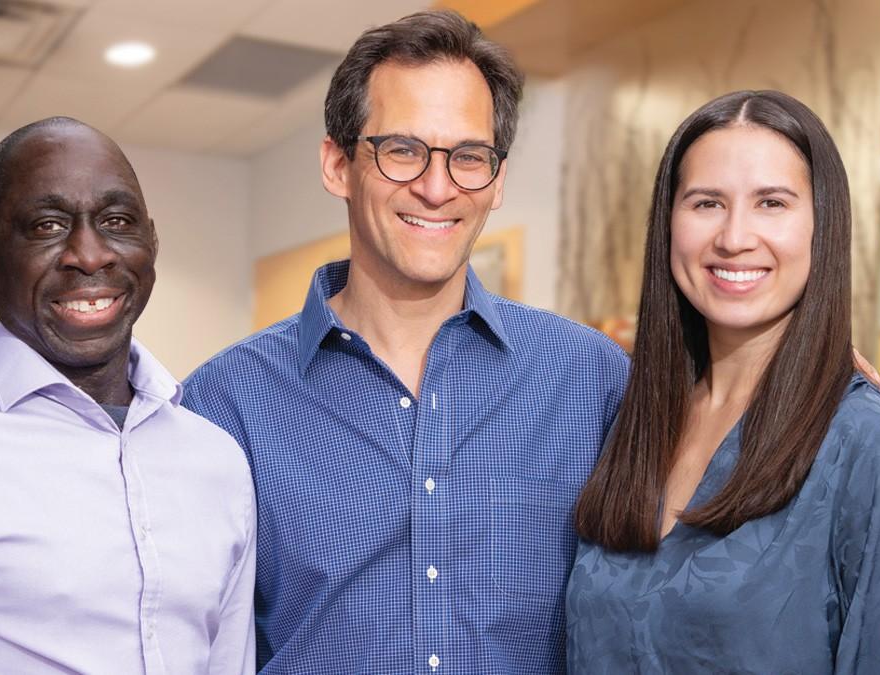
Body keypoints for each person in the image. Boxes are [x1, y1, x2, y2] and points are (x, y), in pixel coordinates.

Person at [182, 10, 629, 674]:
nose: (436, 186)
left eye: (468, 157)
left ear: (497, 179)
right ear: (337, 163)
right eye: (402, 149)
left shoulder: (590, 378)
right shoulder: (226, 401)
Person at [0, 117, 256, 673]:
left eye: (116, 221)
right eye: (47, 226)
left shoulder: (217, 460)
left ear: (151, 245)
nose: (89, 255)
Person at [566, 90, 880, 673]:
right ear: (668, 223)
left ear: (821, 226)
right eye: (706, 203)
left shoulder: (870, 441)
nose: (734, 236)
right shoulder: (632, 419)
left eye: (771, 203)